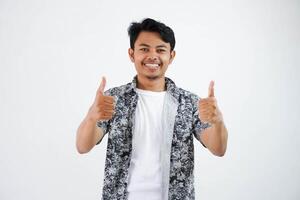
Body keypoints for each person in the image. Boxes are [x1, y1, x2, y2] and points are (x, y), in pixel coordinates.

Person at [76, 18, 228, 200]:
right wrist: (92, 117)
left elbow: (218, 149)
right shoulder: (112, 99)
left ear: (171, 56)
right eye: (144, 49)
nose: (152, 56)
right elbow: (82, 146)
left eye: (161, 50)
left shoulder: (189, 102)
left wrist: (218, 122)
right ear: (132, 54)